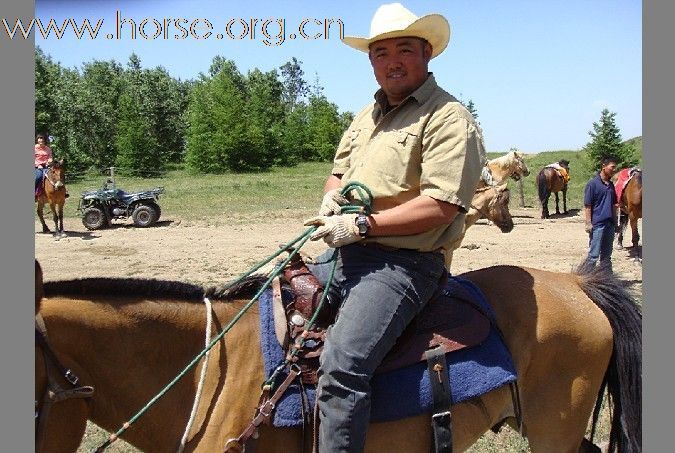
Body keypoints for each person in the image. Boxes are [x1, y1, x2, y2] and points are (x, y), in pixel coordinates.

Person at [301, 3, 485, 451]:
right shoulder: (366, 115)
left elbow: (441, 206)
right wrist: (332, 197)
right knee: (271, 308)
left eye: (404, 49)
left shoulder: (448, 117)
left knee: (342, 367)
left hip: (403, 264)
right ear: (371, 60)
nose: (392, 61)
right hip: (348, 250)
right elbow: (339, 173)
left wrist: (362, 225)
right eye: (381, 52)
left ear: (426, 53)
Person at [583, 156, 618, 272]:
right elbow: (588, 205)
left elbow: (613, 205)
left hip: (609, 224)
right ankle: (586, 278)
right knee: (593, 255)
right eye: (612, 167)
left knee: (607, 256)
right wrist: (588, 223)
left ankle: (607, 279)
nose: (614, 170)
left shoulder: (611, 185)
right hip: (598, 224)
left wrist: (615, 222)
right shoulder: (592, 184)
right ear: (603, 166)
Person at [34, 133, 53, 198]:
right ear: (37, 140)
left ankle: (63, 192)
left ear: (45, 140)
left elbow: (50, 157)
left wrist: (49, 161)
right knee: (38, 176)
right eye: (39, 138)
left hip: (46, 166)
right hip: (37, 167)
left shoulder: (48, 149)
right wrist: (38, 165)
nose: (41, 140)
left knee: (56, 175)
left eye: (42, 139)